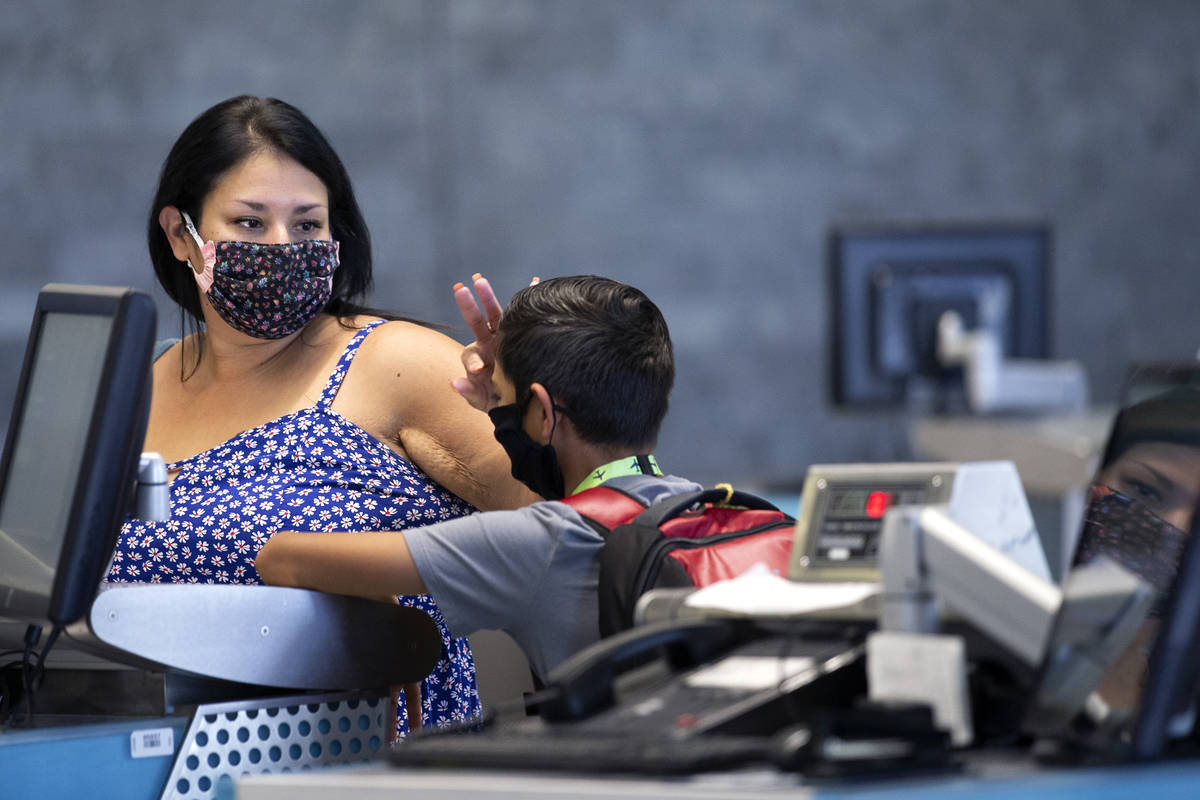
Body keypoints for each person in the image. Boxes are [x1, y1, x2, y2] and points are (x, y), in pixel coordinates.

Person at [104, 95, 535, 733]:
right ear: (179, 235)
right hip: (141, 759)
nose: (282, 247)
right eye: (250, 224)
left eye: (307, 226)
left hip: (372, 765)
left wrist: (525, 417)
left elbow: (575, 532)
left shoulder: (396, 363)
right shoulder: (136, 388)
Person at [256, 274, 700, 683]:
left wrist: (369, 590)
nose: (497, 416)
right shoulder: (706, 507)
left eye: (503, 399)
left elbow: (280, 557)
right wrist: (511, 398)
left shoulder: (535, 544)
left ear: (543, 413)